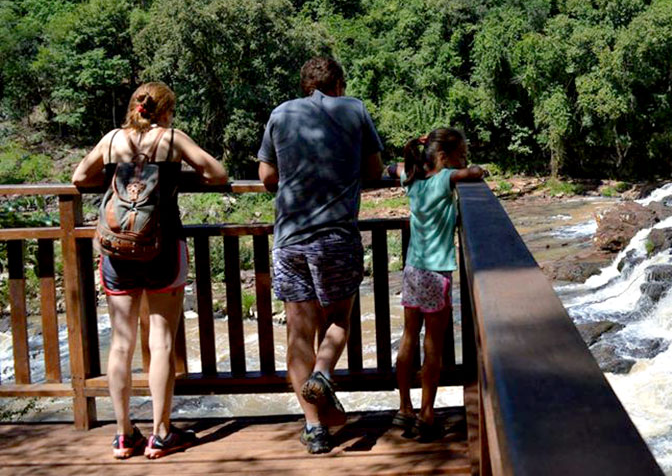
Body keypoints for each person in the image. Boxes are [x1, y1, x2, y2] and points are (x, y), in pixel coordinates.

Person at [72, 82, 228, 460]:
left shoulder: (111, 140)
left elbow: (79, 178)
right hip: (164, 249)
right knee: (160, 342)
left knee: (121, 343)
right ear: (166, 111)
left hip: (117, 252)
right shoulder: (172, 139)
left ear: (133, 108)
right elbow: (218, 173)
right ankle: (161, 433)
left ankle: (124, 434)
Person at [257, 56, 383, 454]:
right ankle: (324, 373)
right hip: (336, 237)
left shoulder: (280, 113)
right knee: (339, 320)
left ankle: (314, 429)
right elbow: (376, 170)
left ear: (304, 85)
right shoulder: (354, 109)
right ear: (339, 85)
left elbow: (266, 177)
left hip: (290, 238)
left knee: (298, 333)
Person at [385, 128, 485, 439]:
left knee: (408, 337)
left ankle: (404, 407)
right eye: (460, 156)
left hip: (413, 270)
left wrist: (405, 162)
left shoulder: (412, 177)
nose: (463, 161)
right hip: (437, 273)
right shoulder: (445, 179)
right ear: (443, 158)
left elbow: (392, 168)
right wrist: (477, 169)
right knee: (433, 346)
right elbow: (474, 173)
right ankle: (427, 413)